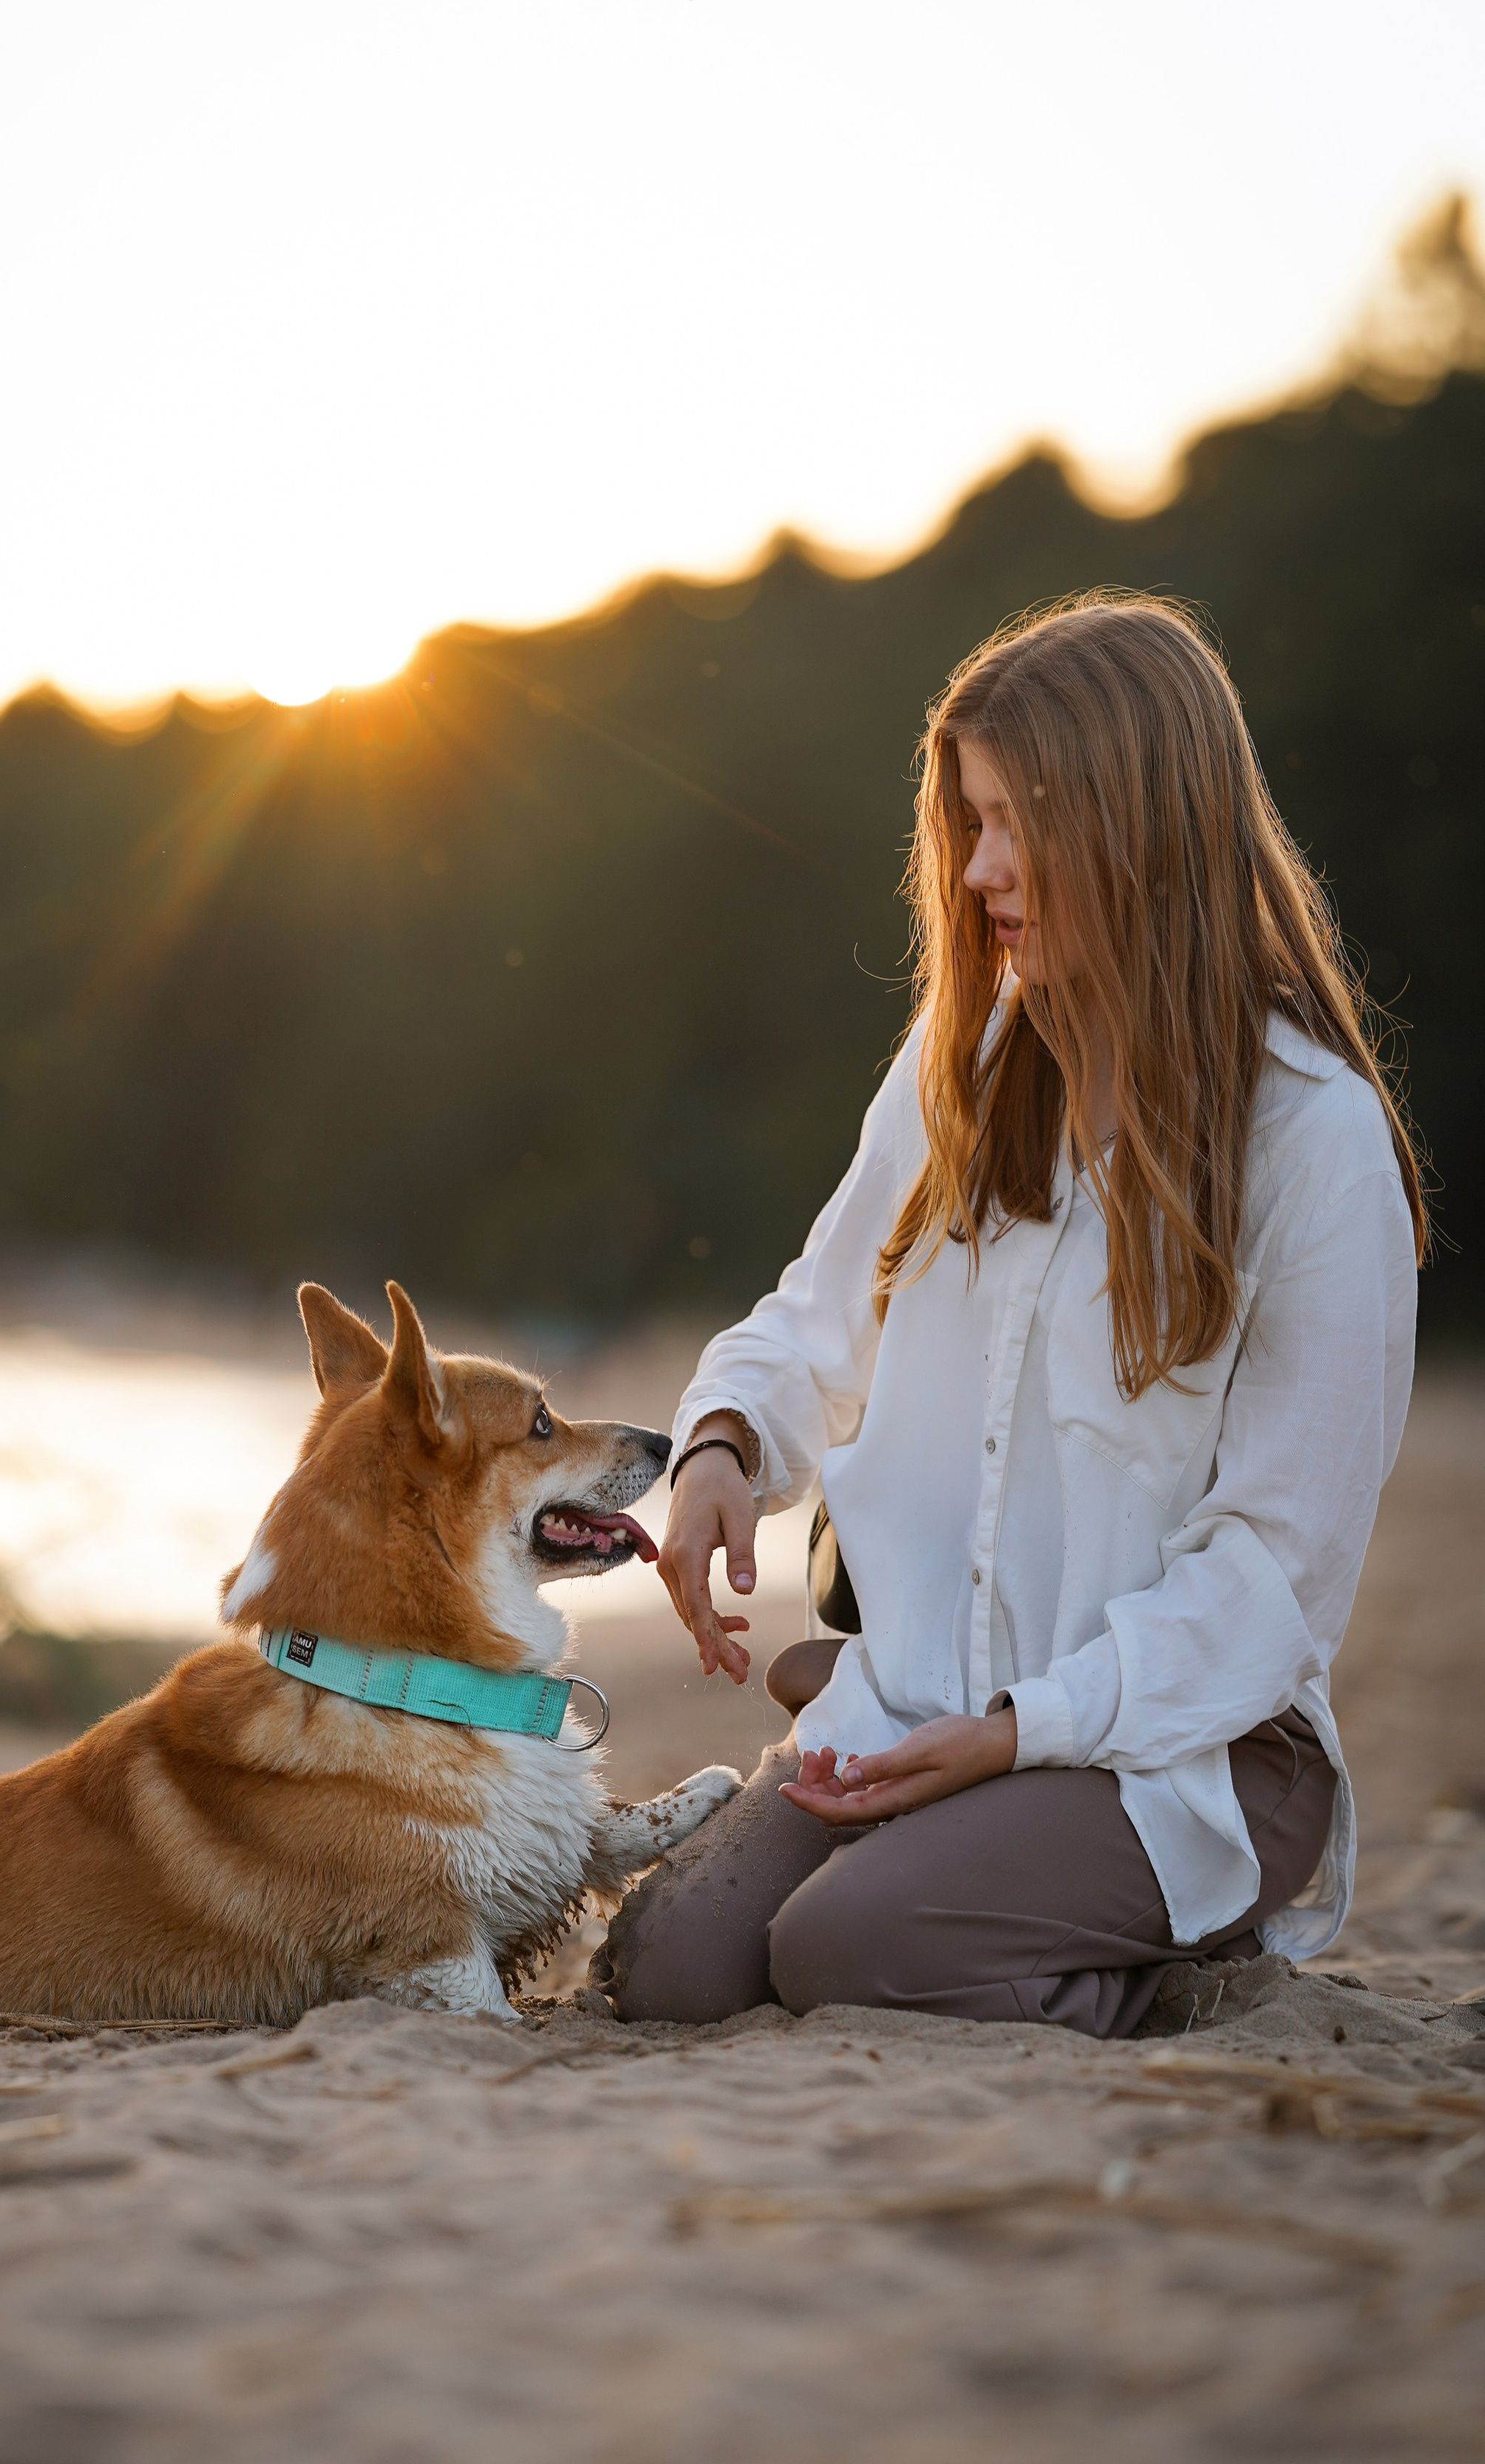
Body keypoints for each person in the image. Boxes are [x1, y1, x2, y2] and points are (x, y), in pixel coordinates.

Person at [600, 595, 1424, 2037]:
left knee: (846, 1947)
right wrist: (724, 1442)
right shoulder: (961, 1059)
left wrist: (1015, 1738)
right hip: (927, 1705)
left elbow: (1274, 1581)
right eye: (969, 821)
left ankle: (1175, 1950)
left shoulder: (1313, 1139)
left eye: (1017, 822)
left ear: (1141, 825)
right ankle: (894, 1760)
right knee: (671, 1968)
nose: (978, 867)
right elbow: (813, 1318)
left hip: (1177, 1753)